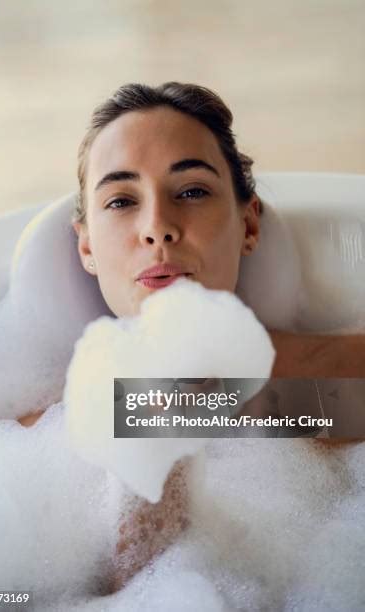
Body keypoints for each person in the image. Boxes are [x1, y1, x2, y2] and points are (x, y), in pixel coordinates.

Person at [18, 82, 364, 591]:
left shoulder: (339, 380)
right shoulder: (30, 441)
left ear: (248, 225)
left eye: (192, 191)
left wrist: (177, 404)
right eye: (120, 201)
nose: (158, 227)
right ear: (87, 245)